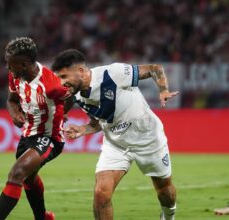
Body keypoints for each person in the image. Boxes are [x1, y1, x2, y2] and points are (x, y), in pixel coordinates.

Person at [51, 49, 178, 220]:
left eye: (64, 77)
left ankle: (169, 215)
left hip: (148, 138)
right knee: (101, 193)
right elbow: (99, 123)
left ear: (81, 71)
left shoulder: (112, 73)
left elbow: (154, 68)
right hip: (116, 144)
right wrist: (83, 129)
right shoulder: (76, 96)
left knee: (164, 190)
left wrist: (163, 90)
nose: (61, 82)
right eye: (59, 78)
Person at [0, 37, 70, 220]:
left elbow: (70, 96)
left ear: (24, 64)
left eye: (11, 64)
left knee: (17, 173)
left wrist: (62, 112)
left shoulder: (51, 85)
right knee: (29, 178)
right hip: (27, 137)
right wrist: (14, 113)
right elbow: (11, 100)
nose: (8, 68)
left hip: (49, 137)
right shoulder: (15, 76)